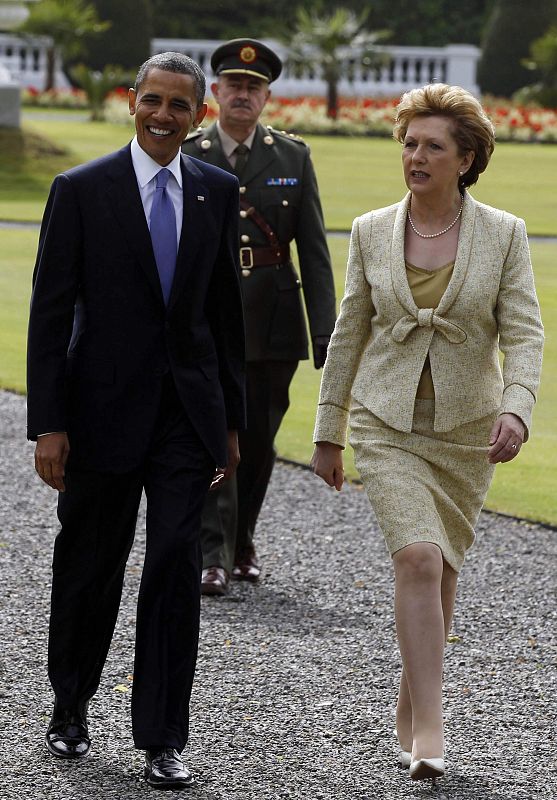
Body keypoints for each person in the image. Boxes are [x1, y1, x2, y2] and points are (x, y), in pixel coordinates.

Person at [311, 84, 543, 783]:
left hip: (467, 432)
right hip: (385, 425)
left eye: (431, 146)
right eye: (408, 143)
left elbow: (525, 333)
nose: (415, 155)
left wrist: (517, 406)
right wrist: (329, 430)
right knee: (415, 557)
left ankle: (411, 710)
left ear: (465, 158)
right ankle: (433, 731)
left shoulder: (502, 233)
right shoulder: (369, 229)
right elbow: (348, 334)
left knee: (440, 571)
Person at [27, 52, 245, 790]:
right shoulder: (81, 190)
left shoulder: (218, 190)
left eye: (178, 105)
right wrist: (48, 423)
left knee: (174, 568)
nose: (162, 115)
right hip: (97, 416)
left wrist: (232, 424)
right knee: (89, 565)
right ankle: (69, 708)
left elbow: (224, 321)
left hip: (186, 419)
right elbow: (50, 314)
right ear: (132, 103)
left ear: (198, 115)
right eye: (151, 100)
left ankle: (161, 737)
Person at [183, 38, 336, 595]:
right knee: (210, 436)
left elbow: (314, 252)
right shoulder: (189, 150)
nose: (242, 94)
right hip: (203, 320)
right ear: (216, 91)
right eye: (233, 85)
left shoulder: (292, 157)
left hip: (272, 323)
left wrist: (325, 332)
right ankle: (212, 552)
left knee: (260, 440)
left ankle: (242, 537)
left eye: (253, 87)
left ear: (267, 96)